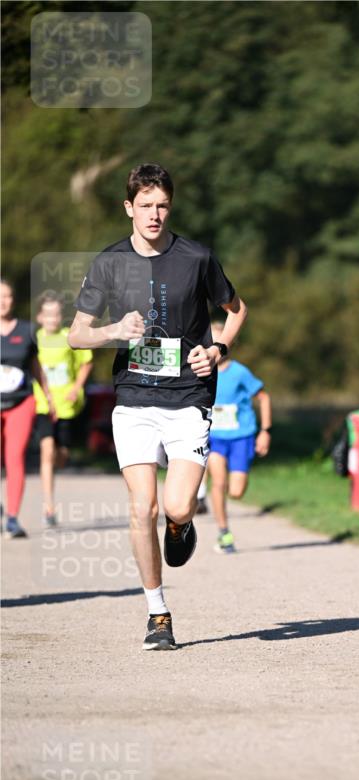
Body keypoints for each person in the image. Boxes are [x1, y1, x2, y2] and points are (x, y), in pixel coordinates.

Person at [68, 163, 247, 649]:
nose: (154, 214)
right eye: (144, 205)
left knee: (176, 504)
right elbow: (76, 334)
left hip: (189, 397)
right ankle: (158, 614)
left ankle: (180, 524)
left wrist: (217, 350)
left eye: (162, 205)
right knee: (141, 507)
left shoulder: (197, 257)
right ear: (128, 208)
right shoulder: (108, 262)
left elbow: (236, 311)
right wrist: (112, 331)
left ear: (171, 206)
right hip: (135, 399)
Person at [201, 329, 272, 552]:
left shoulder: (240, 372)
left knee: (236, 492)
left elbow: (263, 397)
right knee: (219, 482)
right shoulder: (202, 371)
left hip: (241, 437)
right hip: (215, 438)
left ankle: (225, 492)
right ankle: (224, 533)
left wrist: (265, 431)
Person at [33, 292, 93, 527]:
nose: (52, 318)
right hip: (43, 404)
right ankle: (49, 507)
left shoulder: (69, 337)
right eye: (48, 314)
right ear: (40, 317)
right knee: (46, 451)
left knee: (61, 456)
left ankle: (63, 455)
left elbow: (87, 363)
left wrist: (76, 388)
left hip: (68, 405)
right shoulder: (35, 339)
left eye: (56, 314)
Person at [0, 278, 54, 538]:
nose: (3, 301)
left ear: (14, 299)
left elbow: (36, 366)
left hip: (21, 402)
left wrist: (48, 395)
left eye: (7, 296)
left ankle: (11, 518)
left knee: (14, 458)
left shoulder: (27, 330)